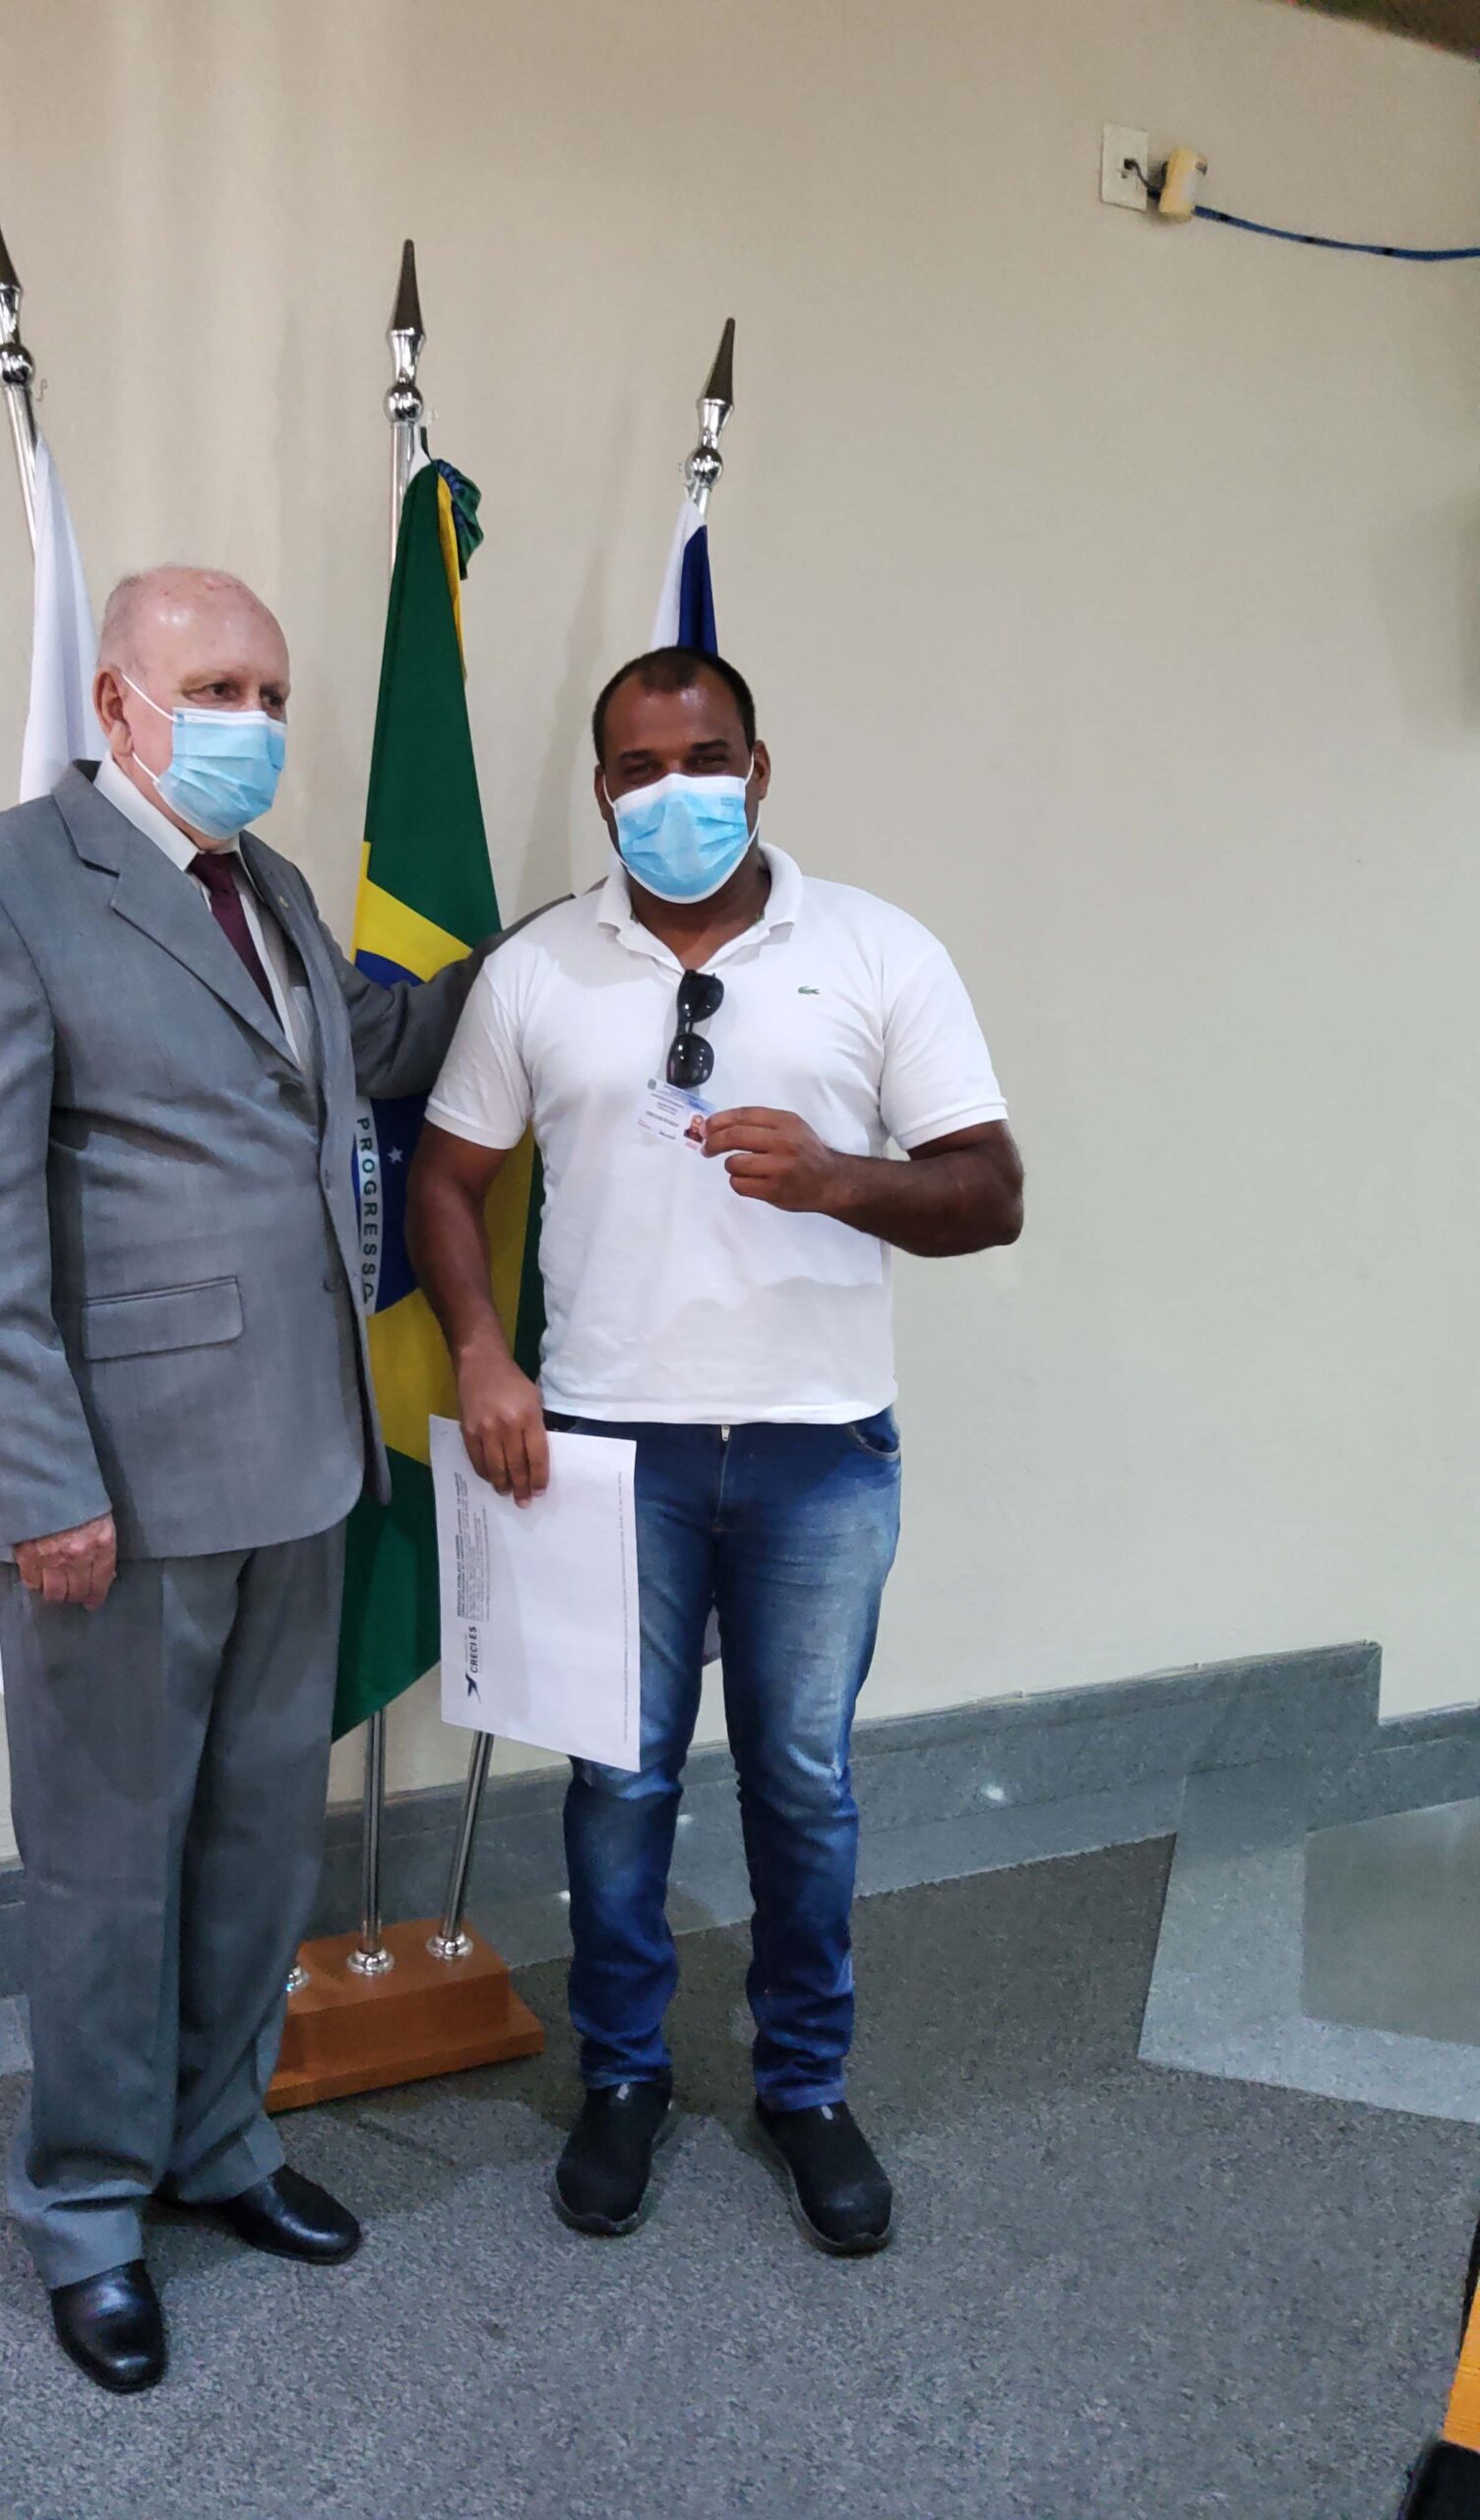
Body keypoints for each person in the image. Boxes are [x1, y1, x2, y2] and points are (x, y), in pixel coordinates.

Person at [0, 566, 490, 2393]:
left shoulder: (274, 890)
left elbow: (354, 1060)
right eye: (216, 688)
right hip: (118, 1496)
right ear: (116, 703)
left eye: (273, 694)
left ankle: (218, 2146)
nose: (254, 724)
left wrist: (549, 942)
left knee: (251, 1851)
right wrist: (38, 1485)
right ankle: (84, 2209)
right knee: (105, 1874)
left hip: (300, 1463)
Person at [408, 645, 1022, 2255]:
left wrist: (837, 1180)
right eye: (639, 769)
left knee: (802, 1785)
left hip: (821, 1452)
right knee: (617, 1783)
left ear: (757, 769)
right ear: (602, 789)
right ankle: (624, 2078)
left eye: (705, 760)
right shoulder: (540, 969)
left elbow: (991, 1191)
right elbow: (447, 1178)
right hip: (609, 1448)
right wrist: (482, 1350)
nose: (674, 792)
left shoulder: (877, 949)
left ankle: (805, 2087)